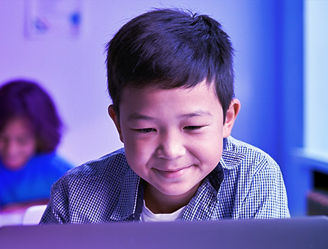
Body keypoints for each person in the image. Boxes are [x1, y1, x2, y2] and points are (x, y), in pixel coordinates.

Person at [41, 8, 289, 224]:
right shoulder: (75, 194)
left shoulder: (254, 175)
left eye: (192, 127)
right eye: (146, 130)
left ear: (227, 119)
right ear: (118, 123)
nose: (171, 150)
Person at [0, 79, 73, 212]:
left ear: (40, 137)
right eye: (2, 138)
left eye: (22, 140)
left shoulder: (59, 172)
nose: (11, 150)